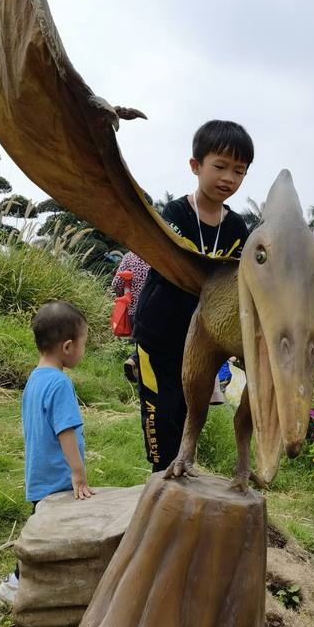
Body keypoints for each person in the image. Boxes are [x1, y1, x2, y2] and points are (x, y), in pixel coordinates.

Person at [131, 120, 252, 472]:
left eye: (239, 171)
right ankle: (159, 479)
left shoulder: (236, 227)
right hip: (158, 334)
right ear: (195, 166)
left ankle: (181, 474)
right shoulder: (175, 214)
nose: (228, 178)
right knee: (160, 409)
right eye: (220, 166)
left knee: (188, 410)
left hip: (201, 339)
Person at [0, 300, 93, 604]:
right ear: (67, 346)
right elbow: (65, 432)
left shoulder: (35, 379)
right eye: (83, 343)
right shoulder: (60, 384)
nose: (83, 350)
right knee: (46, 537)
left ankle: (34, 579)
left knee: (43, 532)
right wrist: (77, 472)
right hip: (59, 478)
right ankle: (16, 582)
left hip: (39, 475)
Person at [110, 252, 150, 383]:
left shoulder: (129, 257)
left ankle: (136, 369)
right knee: (148, 345)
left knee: (142, 343)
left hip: (133, 310)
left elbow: (116, 283)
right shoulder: (154, 255)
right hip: (152, 307)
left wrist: (126, 296)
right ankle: (134, 362)